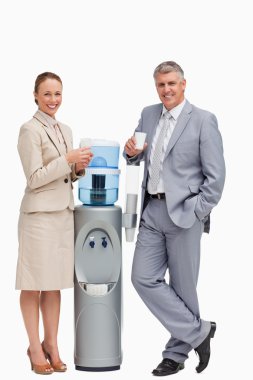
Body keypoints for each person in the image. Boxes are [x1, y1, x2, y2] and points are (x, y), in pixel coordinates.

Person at [124, 61, 225, 376]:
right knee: (142, 277)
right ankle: (199, 333)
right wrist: (130, 152)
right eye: (160, 85)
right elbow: (139, 154)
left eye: (171, 83)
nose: (166, 90)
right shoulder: (148, 113)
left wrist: (197, 211)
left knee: (183, 288)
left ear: (183, 84)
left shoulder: (203, 120)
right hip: (152, 210)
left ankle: (175, 354)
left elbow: (216, 178)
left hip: (184, 214)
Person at [16, 72, 93, 374]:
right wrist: (66, 160)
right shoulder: (28, 130)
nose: (53, 100)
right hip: (38, 219)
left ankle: (53, 344)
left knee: (54, 285)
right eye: (47, 94)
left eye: (58, 93)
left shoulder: (65, 129)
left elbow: (64, 175)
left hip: (63, 215)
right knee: (33, 284)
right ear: (35, 96)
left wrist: (76, 167)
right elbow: (35, 178)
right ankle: (35, 347)